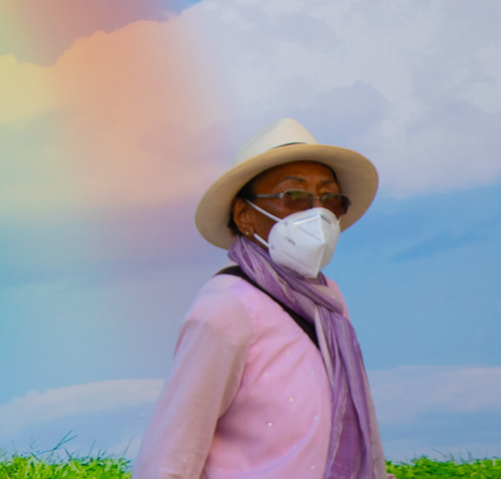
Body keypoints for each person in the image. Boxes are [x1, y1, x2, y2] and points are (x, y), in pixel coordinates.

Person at [134, 117, 391, 479]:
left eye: (330, 198)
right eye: (294, 196)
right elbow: (169, 458)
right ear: (244, 215)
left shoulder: (329, 303)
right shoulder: (227, 306)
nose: (316, 212)